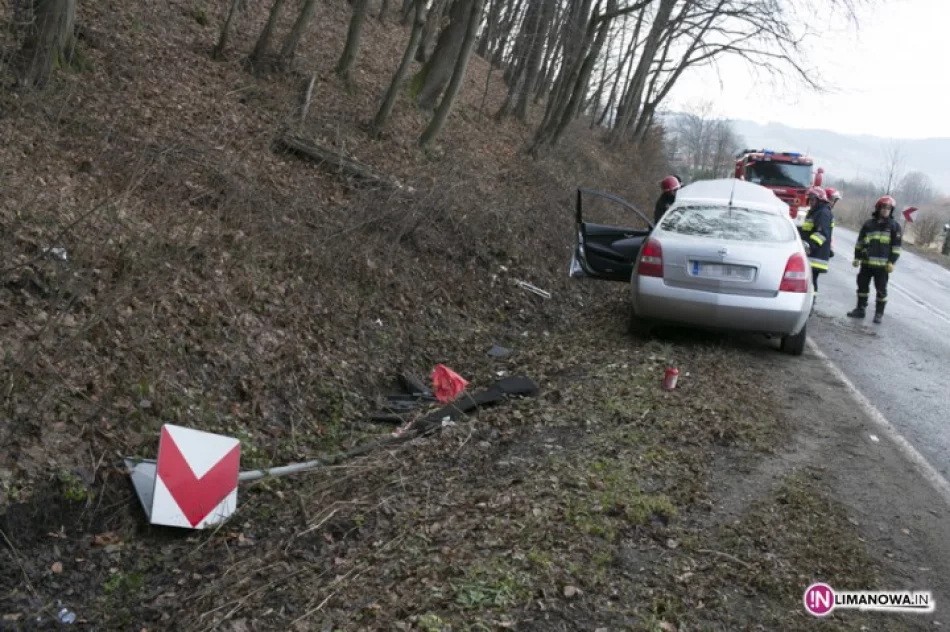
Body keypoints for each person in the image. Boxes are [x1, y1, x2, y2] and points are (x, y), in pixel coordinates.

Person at [847, 195, 902, 323]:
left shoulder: (894, 227)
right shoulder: (868, 224)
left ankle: (879, 314)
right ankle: (860, 309)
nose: (886, 210)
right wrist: (857, 257)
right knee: (862, 287)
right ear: (878, 208)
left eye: (889, 208)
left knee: (881, 290)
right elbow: (860, 242)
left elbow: (896, 247)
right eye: (883, 207)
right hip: (866, 263)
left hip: (882, 267)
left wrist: (892, 262)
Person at [799, 186, 834, 307]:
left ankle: (810, 306)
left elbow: (822, 233)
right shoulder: (815, 212)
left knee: (811, 282)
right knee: (809, 281)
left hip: (815, 255)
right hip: (811, 254)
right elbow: (807, 230)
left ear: (820, 200)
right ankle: (807, 305)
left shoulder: (823, 213)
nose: (811, 202)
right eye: (810, 199)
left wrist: (809, 245)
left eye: (813, 199)